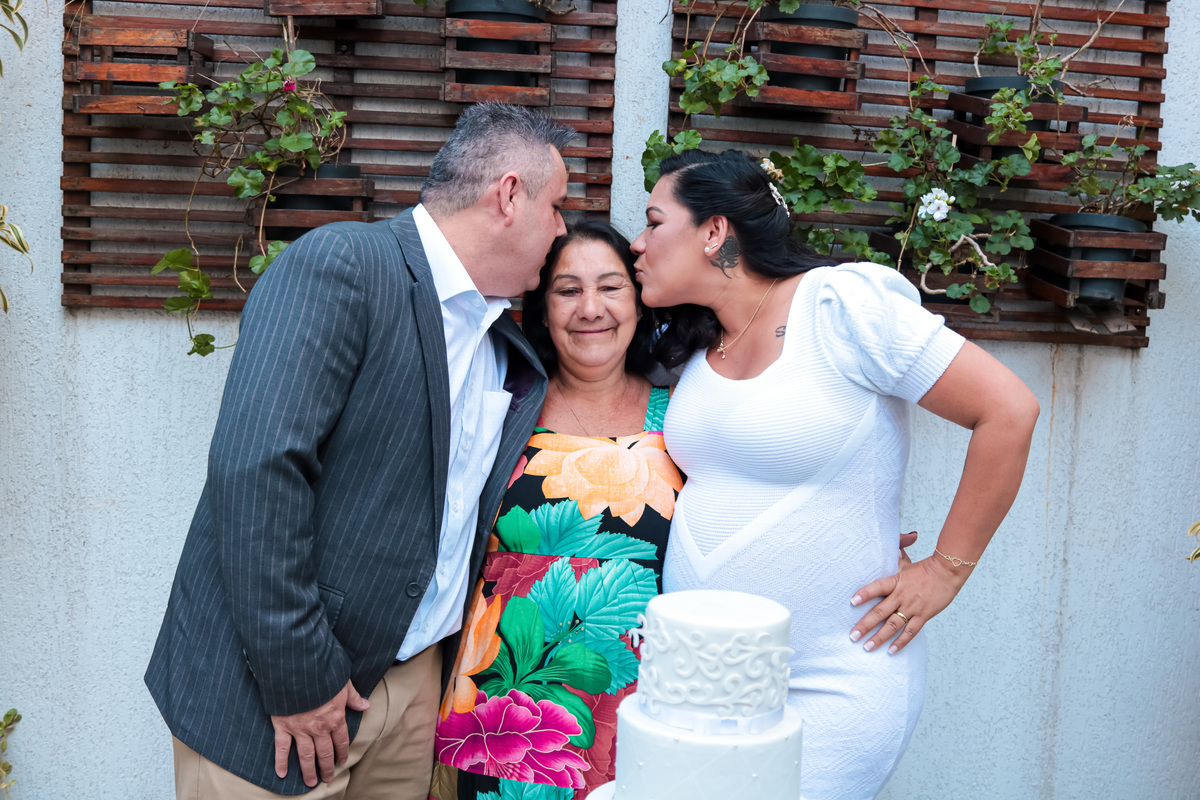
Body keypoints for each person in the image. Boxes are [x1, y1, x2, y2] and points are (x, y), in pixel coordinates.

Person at [144, 102, 574, 799]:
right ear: (508, 196)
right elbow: (257, 471)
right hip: (281, 694)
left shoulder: (501, 337)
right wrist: (299, 677)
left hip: (413, 688)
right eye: (556, 207)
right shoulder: (344, 264)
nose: (561, 229)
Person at [629, 149, 1040, 800]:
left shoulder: (840, 306)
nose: (638, 242)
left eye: (654, 222)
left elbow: (1008, 411)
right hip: (703, 677)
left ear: (714, 232)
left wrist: (944, 570)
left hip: (831, 680)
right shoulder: (702, 345)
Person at [430, 221, 683, 800]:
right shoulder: (503, 407)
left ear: (639, 303)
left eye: (610, 287)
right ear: (542, 311)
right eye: (568, 290)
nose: (590, 308)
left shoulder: (684, 417)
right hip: (499, 707)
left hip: (639, 707)